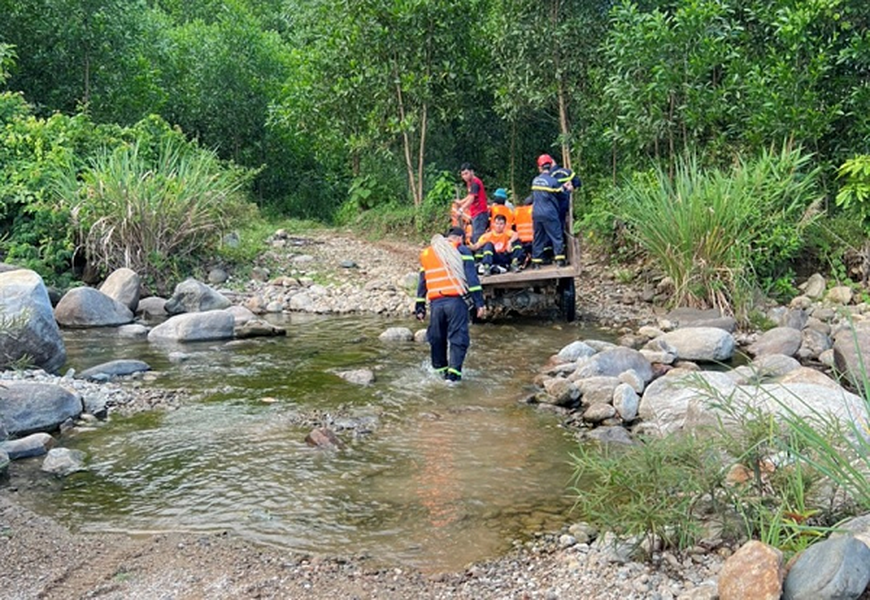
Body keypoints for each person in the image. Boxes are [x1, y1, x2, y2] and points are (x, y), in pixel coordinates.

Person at [415, 227, 486, 381]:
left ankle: (439, 373)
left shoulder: (427, 253)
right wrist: (479, 303)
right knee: (458, 337)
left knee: (437, 338)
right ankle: (453, 377)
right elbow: (472, 279)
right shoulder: (461, 250)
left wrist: (419, 306)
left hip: (435, 304)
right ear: (459, 238)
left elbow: (422, 281)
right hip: (456, 301)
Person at [530, 154, 566, 269]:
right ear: (550, 166)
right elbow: (562, 196)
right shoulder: (553, 181)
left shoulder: (535, 181)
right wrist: (566, 188)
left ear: (540, 167)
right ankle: (560, 260)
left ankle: (536, 262)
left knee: (538, 236)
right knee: (556, 235)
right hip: (550, 213)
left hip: (536, 213)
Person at [457, 163, 489, 244]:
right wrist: (461, 202)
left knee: (478, 236)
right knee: (474, 235)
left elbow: (471, 199)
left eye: (466, 173)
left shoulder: (475, 183)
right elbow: (470, 195)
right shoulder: (470, 183)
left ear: (472, 172)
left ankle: (480, 254)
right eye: (463, 174)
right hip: (475, 213)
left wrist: (461, 209)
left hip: (480, 213)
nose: (464, 176)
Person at [549, 161, 582, 230]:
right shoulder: (567, 172)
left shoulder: (548, 175)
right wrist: (572, 187)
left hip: (552, 203)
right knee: (561, 221)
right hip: (565, 200)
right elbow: (578, 183)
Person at [512, 195, 534, 269]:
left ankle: (520, 260)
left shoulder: (517, 210)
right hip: (533, 240)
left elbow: (513, 225)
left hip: (520, 240)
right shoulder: (534, 209)